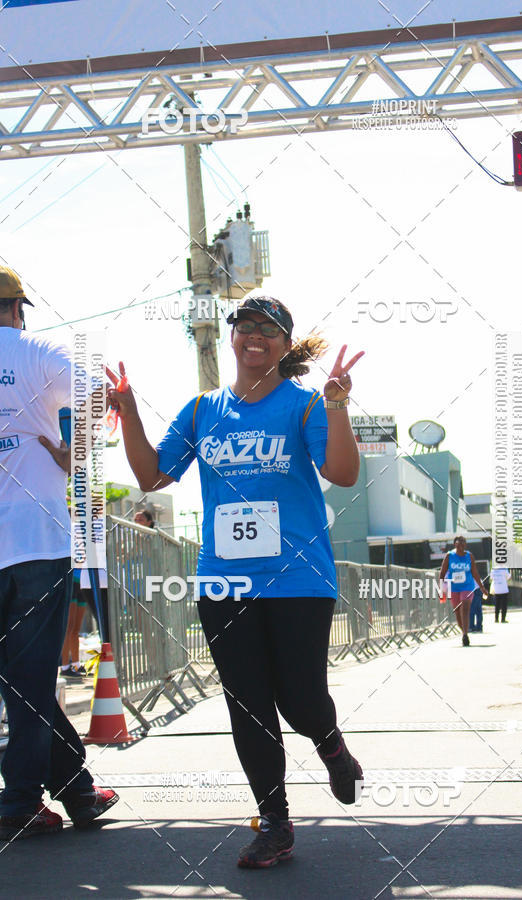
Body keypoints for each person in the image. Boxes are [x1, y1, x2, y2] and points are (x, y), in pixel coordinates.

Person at [107, 295, 365, 869]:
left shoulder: (305, 407)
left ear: (285, 343)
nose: (255, 337)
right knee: (248, 705)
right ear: (232, 340)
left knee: (300, 698)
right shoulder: (203, 410)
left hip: (298, 579)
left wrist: (339, 407)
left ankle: (331, 746)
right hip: (224, 583)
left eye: (268, 330)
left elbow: (344, 475)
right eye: (245, 327)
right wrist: (129, 412)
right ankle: (274, 822)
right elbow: (153, 474)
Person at [0, 267, 118, 839]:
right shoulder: (35, 350)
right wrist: (77, 451)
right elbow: (99, 392)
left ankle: (76, 789)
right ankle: (19, 798)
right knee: (26, 677)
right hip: (36, 541)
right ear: (18, 308)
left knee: (18, 680)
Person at [439, 536, 486, 646]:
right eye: (458, 544)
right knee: (457, 612)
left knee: (465, 607)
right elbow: (442, 573)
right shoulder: (449, 556)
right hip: (454, 587)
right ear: (454, 545)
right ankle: (464, 632)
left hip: (467, 586)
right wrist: (440, 589)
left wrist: (482, 587)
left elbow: (474, 572)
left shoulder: (469, 556)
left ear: (466, 545)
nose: (460, 547)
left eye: (463, 544)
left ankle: (465, 634)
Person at [60, 569, 88, 678]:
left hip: (84, 582)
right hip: (71, 580)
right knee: (69, 628)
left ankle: (76, 665)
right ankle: (65, 667)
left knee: (76, 629)